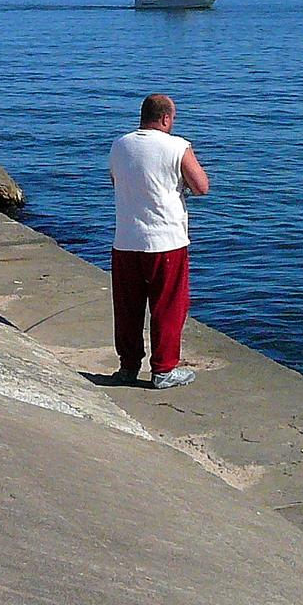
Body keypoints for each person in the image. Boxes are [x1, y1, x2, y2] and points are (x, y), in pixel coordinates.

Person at [107, 93, 209, 388]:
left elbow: (117, 181)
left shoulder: (119, 145)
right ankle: (163, 369)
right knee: (168, 306)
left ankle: (128, 367)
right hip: (166, 241)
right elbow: (201, 186)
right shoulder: (177, 146)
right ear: (165, 118)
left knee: (128, 309)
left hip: (126, 240)